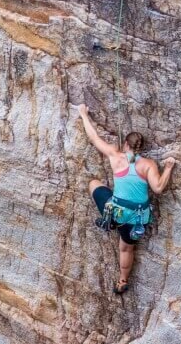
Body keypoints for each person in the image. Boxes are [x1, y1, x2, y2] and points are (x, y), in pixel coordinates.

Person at [74, 105, 174, 294]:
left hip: (118, 213)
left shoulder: (115, 156)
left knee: (94, 183)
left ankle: (108, 219)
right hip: (137, 219)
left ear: (126, 144)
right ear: (140, 148)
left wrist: (83, 114)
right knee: (126, 249)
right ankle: (122, 281)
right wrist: (168, 168)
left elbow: (94, 138)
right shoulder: (149, 165)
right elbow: (158, 188)